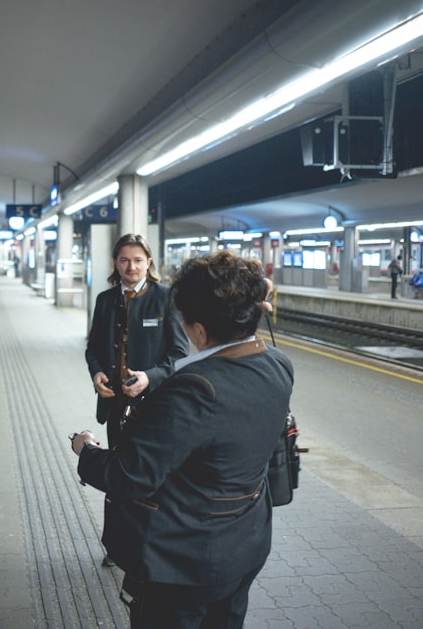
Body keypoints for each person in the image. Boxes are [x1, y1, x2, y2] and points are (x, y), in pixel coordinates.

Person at [71, 251, 294, 629]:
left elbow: (131, 475)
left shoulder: (195, 389)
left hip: (185, 561)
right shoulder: (277, 364)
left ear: (200, 331)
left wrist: (86, 449)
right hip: (246, 544)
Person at [85, 233, 189, 568]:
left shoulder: (166, 299)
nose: (131, 266)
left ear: (149, 263)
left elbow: (179, 356)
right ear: (115, 263)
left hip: (154, 408)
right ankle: (115, 547)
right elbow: (92, 348)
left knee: (153, 479)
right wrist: (97, 373)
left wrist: (150, 378)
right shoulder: (104, 300)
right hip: (116, 406)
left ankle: (150, 547)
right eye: (124, 260)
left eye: (138, 260)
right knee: (117, 478)